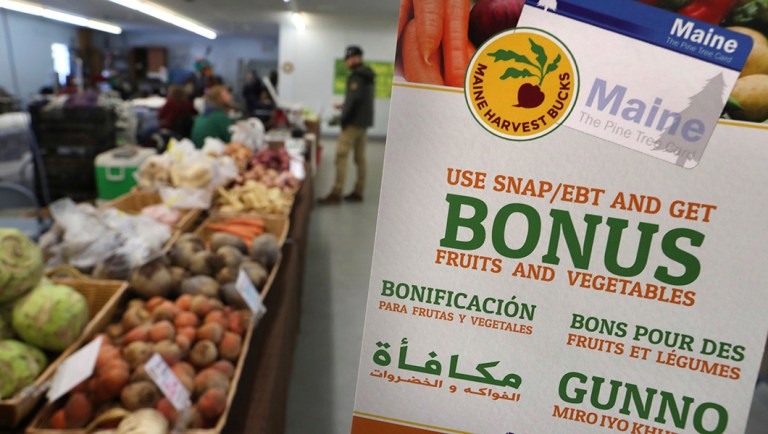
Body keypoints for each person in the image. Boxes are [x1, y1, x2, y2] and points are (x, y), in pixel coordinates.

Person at [319, 45, 376, 204]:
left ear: (354, 58)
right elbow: (358, 100)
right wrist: (344, 105)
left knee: (340, 156)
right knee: (360, 159)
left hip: (352, 124)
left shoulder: (356, 77)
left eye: (348, 59)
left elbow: (354, 101)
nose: (347, 63)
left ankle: (336, 193)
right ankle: (359, 191)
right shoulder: (368, 75)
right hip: (363, 124)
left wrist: (343, 119)